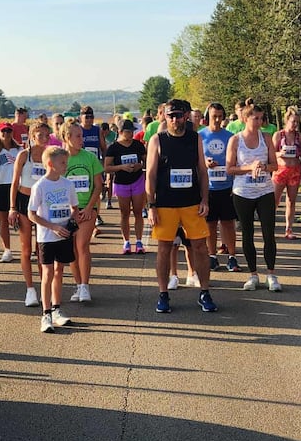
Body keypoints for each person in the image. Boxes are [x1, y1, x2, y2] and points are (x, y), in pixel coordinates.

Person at [145, 99, 217, 314]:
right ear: (165, 117)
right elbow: (150, 175)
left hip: (191, 202)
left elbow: (203, 172)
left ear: (186, 116)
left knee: (200, 247)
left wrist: (205, 200)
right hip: (166, 203)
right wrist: (151, 205)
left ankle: (204, 292)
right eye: (170, 116)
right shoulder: (157, 140)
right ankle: (163, 293)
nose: (175, 119)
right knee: (164, 249)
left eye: (178, 115)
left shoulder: (195, 138)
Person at [227, 103, 282, 292]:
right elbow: (230, 168)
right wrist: (250, 168)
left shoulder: (266, 138)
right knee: (247, 233)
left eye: (261, 118)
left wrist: (265, 167)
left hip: (265, 191)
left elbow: (275, 165)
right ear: (245, 119)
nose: (260, 122)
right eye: (255, 118)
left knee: (269, 233)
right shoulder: (235, 140)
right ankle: (253, 275)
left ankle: (271, 274)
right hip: (243, 193)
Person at [29, 146, 78, 333]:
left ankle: (57, 309)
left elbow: (74, 208)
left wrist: (71, 223)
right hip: (47, 237)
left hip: (64, 235)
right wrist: (53, 227)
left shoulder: (68, 184)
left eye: (66, 162)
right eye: (62, 163)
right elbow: (31, 214)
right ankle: (46, 313)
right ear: (50, 164)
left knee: (59, 271)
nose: (66, 166)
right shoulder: (40, 186)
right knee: (47, 273)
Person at [10, 119, 52, 307]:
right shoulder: (23, 155)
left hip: (43, 203)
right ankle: (30, 289)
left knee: (41, 248)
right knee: (26, 248)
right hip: (24, 201)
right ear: (32, 136)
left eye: (46, 135)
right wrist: (12, 208)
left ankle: (45, 287)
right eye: (40, 135)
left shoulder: (50, 156)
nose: (44, 138)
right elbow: (15, 183)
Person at [63, 119, 103, 303]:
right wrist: (71, 210)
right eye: (78, 136)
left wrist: (89, 208)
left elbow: (98, 185)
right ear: (67, 137)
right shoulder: (61, 159)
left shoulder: (90, 157)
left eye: (82, 136)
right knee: (71, 249)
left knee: (82, 245)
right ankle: (78, 285)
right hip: (68, 211)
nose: (82, 139)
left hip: (88, 208)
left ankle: (85, 286)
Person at [199, 102, 239, 272]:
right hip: (208, 188)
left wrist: (235, 184)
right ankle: (212, 256)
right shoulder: (199, 136)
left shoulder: (230, 136)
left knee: (228, 223)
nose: (216, 120)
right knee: (210, 224)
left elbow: (237, 160)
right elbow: (194, 159)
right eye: (213, 116)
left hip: (227, 185)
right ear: (207, 117)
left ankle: (232, 257)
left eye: (220, 117)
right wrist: (205, 162)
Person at [104, 119, 147, 254]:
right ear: (120, 132)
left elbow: (147, 162)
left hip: (137, 180)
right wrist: (122, 167)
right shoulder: (113, 147)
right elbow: (107, 167)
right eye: (128, 132)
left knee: (138, 212)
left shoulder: (138, 145)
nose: (131, 135)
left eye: (132, 132)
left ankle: (139, 241)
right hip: (121, 183)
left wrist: (140, 165)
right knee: (124, 213)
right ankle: (126, 242)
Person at [0, 122, 21, 262]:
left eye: (9, 131)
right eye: (3, 131)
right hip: (0, 187)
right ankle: (7, 250)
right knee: (3, 221)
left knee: (22, 221)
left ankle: (27, 248)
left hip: (17, 187)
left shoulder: (19, 150)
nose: (6, 134)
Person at [272, 106, 301, 239]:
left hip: (295, 170)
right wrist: (280, 153)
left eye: (297, 122)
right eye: (293, 121)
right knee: (275, 200)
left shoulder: (299, 137)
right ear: (286, 121)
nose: (295, 124)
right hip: (280, 170)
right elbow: (271, 154)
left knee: (291, 201)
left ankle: (288, 229)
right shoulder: (279, 135)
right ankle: (269, 227)